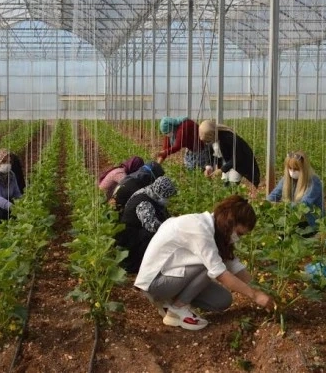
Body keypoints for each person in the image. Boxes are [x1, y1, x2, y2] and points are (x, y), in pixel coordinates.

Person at [134, 195, 275, 330]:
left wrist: (260, 290)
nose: (238, 238)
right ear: (230, 221)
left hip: (172, 277)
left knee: (222, 300)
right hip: (156, 283)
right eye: (239, 233)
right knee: (211, 263)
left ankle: (169, 301)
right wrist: (255, 296)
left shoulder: (216, 231)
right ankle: (177, 309)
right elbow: (220, 273)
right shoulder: (199, 228)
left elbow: (234, 265)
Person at [116, 176, 177, 273]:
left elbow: (164, 214)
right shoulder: (144, 203)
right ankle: (139, 264)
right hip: (129, 239)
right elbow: (152, 226)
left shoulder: (151, 193)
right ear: (161, 194)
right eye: (167, 197)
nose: (168, 200)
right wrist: (171, 231)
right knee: (152, 235)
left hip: (136, 232)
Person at [266, 151, 325, 228]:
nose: (292, 171)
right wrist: (267, 203)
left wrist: (280, 205)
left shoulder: (314, 182)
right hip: (294, 218)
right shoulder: (286, 179)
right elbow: (274, 195)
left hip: (310, 222)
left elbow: (303, 205)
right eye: (290, 168)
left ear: (304, 169)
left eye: (296, 169)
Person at [198, 120, 261, 187]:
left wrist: (222, 169)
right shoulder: (211, 138)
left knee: (231, 184)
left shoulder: (229, 137)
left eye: (207, 140)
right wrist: (208, 167)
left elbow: (237, 157)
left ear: (211, 134)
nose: (206, 142)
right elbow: (208, 152)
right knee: (225, 182)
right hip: (228, 161)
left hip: (240, 163)